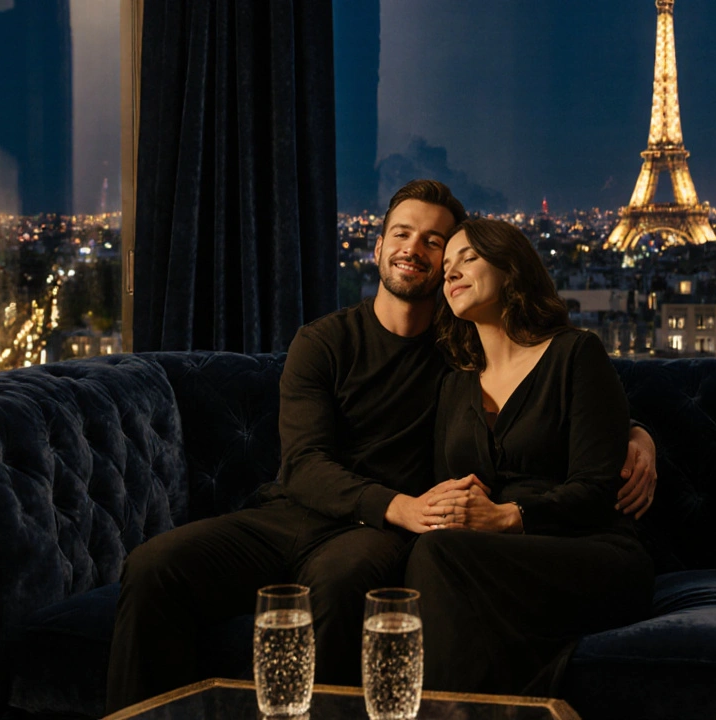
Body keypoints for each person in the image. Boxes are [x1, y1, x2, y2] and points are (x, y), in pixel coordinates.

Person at [105, 180, 656, 710]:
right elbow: (304, 464)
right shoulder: (325, 342)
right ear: (379, 245)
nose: (414, 249)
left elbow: (551, 394)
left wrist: (635, 433)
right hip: (306, 514)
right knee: (155, 567)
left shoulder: (461, 349)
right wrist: (403, 506)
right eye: (401, 233)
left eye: (434, 242)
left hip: (383, 536)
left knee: (339, 585)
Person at [404, 217, 657, 696]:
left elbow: (595, 490)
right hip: (488, 555)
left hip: (590, 549)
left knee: (435, 557)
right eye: (448, 267)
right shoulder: (454, 385)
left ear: (510, 268)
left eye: (469, 259)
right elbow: (452, 483)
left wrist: (507, 517)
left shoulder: (575, 354)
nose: (451, 273)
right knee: (433, 552)